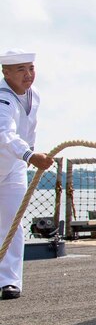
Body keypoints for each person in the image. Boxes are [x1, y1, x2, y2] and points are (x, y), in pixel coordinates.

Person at [0, 51, 53, 300]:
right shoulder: (2, 98)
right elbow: (5, 134)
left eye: (31, 68)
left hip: (14, 167)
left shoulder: (34, 95)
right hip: (14, 157)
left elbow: (29, 128)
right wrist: (30, 155)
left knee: (14, 221)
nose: (28, 75)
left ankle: (9, 281)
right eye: (21, 69)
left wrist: (28, 157)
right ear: (5, 73)